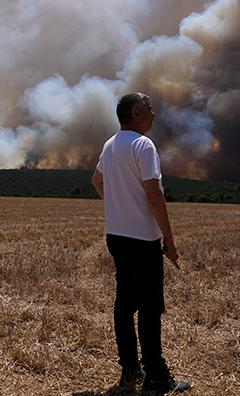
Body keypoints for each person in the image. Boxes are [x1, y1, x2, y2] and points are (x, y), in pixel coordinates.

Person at [91, 92, 191, 394]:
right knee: (149, 308)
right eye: (149, 109)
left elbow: (96, 181)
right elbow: (153, 190)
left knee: (124, 305)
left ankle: (129, 369)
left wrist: (119, 205)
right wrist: (168, 236)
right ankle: (157, 377)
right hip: (142, 238)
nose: (154, 114)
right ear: (135, 113)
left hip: (117, 236)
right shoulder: (142, 144)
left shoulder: (110, 145)